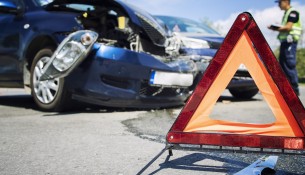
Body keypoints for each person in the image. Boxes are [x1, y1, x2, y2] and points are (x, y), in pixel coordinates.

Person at [268, 0, 302, 95]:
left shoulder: (293, 12)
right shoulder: (287, 13)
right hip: (285, 42)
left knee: (289, 64)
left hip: (290, 42)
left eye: (279, 2)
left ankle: (294, 90)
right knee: (283, 64)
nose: (278, 4)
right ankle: (287, 89)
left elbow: (288, 27)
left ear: (286, 1)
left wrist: (274, 28)